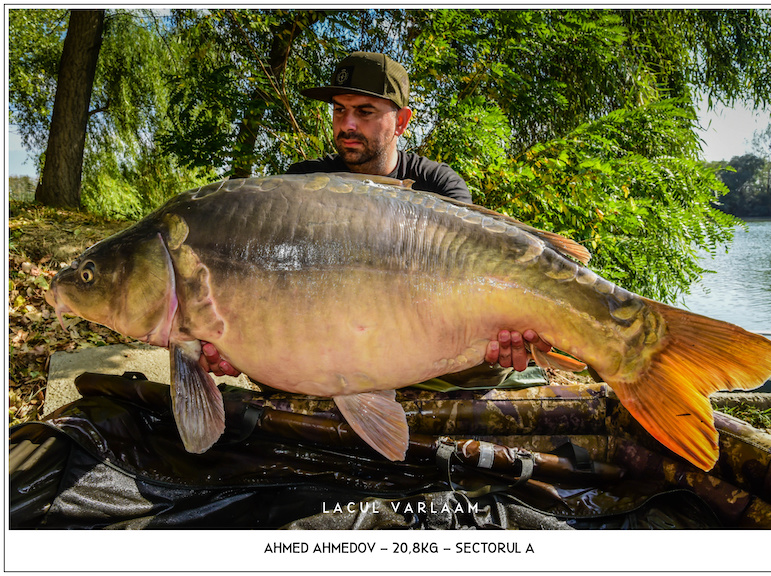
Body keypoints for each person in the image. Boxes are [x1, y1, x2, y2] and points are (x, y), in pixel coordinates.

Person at [200, 52, 551, 379]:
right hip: (338, 357)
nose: (347, 125)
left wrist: (503, 336)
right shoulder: (302, 184)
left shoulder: (440, 186)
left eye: (365, 112)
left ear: (401, 121)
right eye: (339, 110)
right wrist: (237, 344)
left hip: (424, 356)